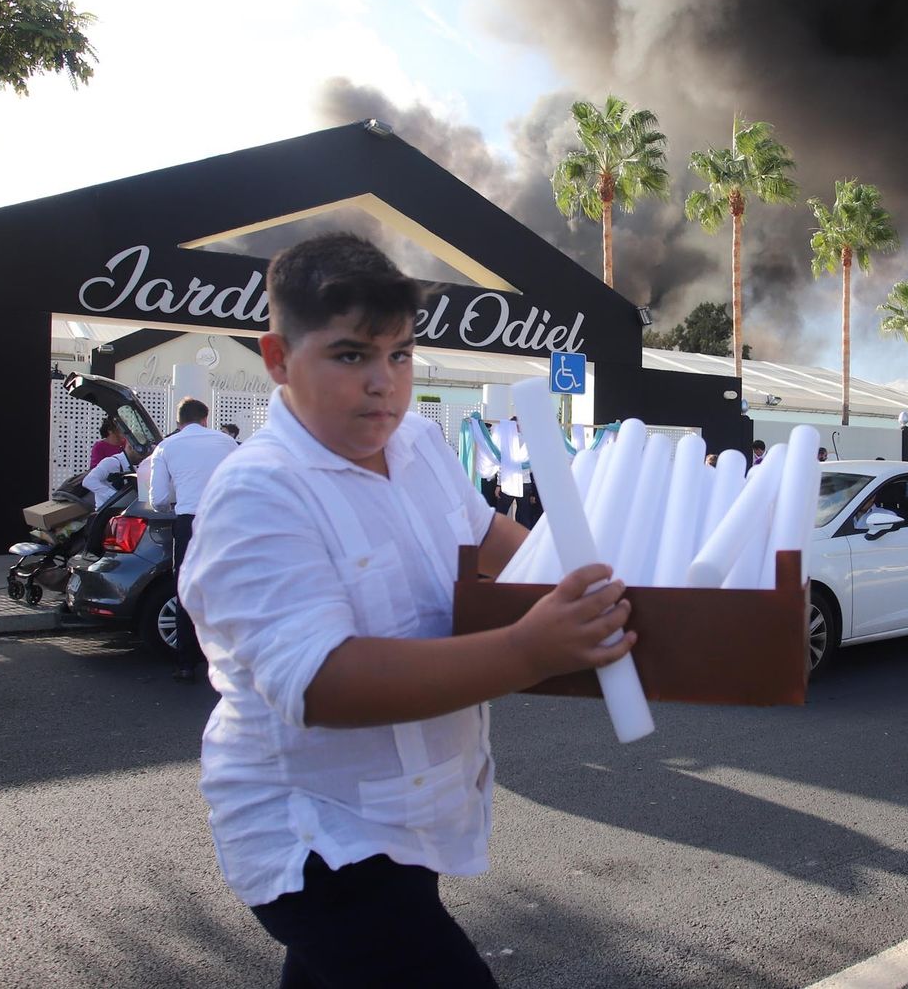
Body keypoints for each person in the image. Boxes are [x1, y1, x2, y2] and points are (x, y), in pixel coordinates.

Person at [180, 233, 634, 988]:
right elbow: (327, 682)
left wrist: (586, 581)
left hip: (406, 822)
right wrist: (532, 646)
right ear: (276, 357)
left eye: (400, 355)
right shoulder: (256, 492)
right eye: (351, 355)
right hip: (318, 839)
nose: (383, 382)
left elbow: (491, 538)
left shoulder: (420, 443)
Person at [149, 396, 240, 683]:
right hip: (223, 521)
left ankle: (187, 663)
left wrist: (179, 499)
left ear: (179, 422)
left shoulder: (166, 447)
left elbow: (158, 500)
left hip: (189, 522)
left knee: (187, 591)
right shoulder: (226, 443)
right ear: (205, 418)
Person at [84, 440, 139, 509]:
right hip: (106, 512)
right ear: (130, 447)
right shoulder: (112, 462)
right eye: (140, 453)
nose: (143, 456)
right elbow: (88, 481)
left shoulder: (137, 465)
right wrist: (114, 496)